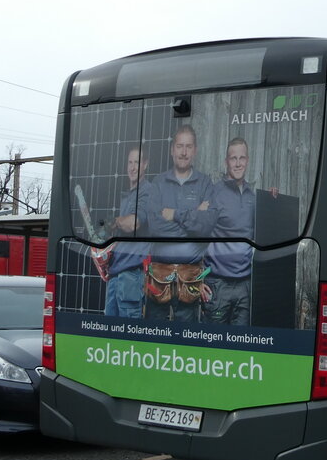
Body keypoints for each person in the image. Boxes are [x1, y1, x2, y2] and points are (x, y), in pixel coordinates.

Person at [143, 125, 217, 322]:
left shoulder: (205, 183)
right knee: (152, 339)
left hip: (190, 279)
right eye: (179, 146)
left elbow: (207, 226)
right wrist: (194, 215)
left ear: (195, 151)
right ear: (172, 149)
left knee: (188, 341)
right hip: (158, 278)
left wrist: (174, 214)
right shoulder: (158, 182)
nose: (183, 152)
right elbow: (155, 226)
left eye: (188, 147)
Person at [205, 137, 275, 326]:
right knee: (213, 345)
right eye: (233, 158)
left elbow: (268, 233)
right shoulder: (213, 193)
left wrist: (272, 201)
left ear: (248, 160)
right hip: (218, 285)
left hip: (245, 285)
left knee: (242, 346)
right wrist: (198, 278)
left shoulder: (254, 197)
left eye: (241, 158)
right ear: (226, 162)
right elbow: (195, 234)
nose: (237, 163)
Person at [103, 147, 151, 319]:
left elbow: (134, 223)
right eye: (130, 162)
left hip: (131, 274)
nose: (132, 167)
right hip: (116, 273)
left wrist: (115, 222)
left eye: (137, 162)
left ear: (145, 165)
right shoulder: (128, 195)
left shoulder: (147, 191)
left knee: (128, 333)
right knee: (110, 333)